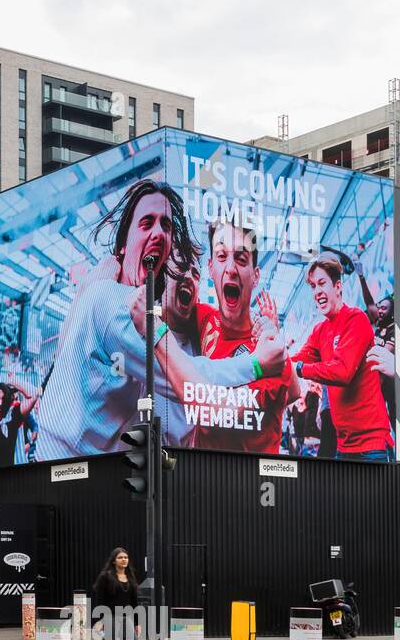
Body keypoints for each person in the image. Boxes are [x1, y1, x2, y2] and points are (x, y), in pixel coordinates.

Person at [36, 180, 284, 462]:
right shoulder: (119, 304)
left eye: (166, 225)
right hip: (69, 462)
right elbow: (189, 377)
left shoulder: (195, 320)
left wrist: (266, 328)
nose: (158, 233)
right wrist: (256, 363)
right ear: (123, 245)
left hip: (112, 464)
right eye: (146, 223)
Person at [192, 218, 300, 454]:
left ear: (255, 275)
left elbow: (215, 412)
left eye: (241, 259)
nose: (230, 268)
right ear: (211, 268)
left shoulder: (269, 350)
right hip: (200, 478)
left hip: (252, 484)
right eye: (221, 257)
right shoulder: (203, 319)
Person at [291, 256, 393, 461]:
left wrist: (301, 368)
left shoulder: (357, 319)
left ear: (338, 286)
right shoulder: (320, 331)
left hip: (372, 447)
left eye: (322, 283)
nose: (317, 291)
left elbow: (343, 371)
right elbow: (293, 361)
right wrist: (272, 351)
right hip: (343, 446)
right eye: (312, 286)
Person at [92, 547, 142, 640]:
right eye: (120, 557)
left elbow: (134, 603)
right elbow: (98, 599)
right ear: (114, 560)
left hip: (126, 618)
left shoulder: (130, 577)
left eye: (126, 557)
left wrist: (137, 623)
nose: (124, 560)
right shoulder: (105, 577)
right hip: (110, 618)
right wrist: (99, 621)